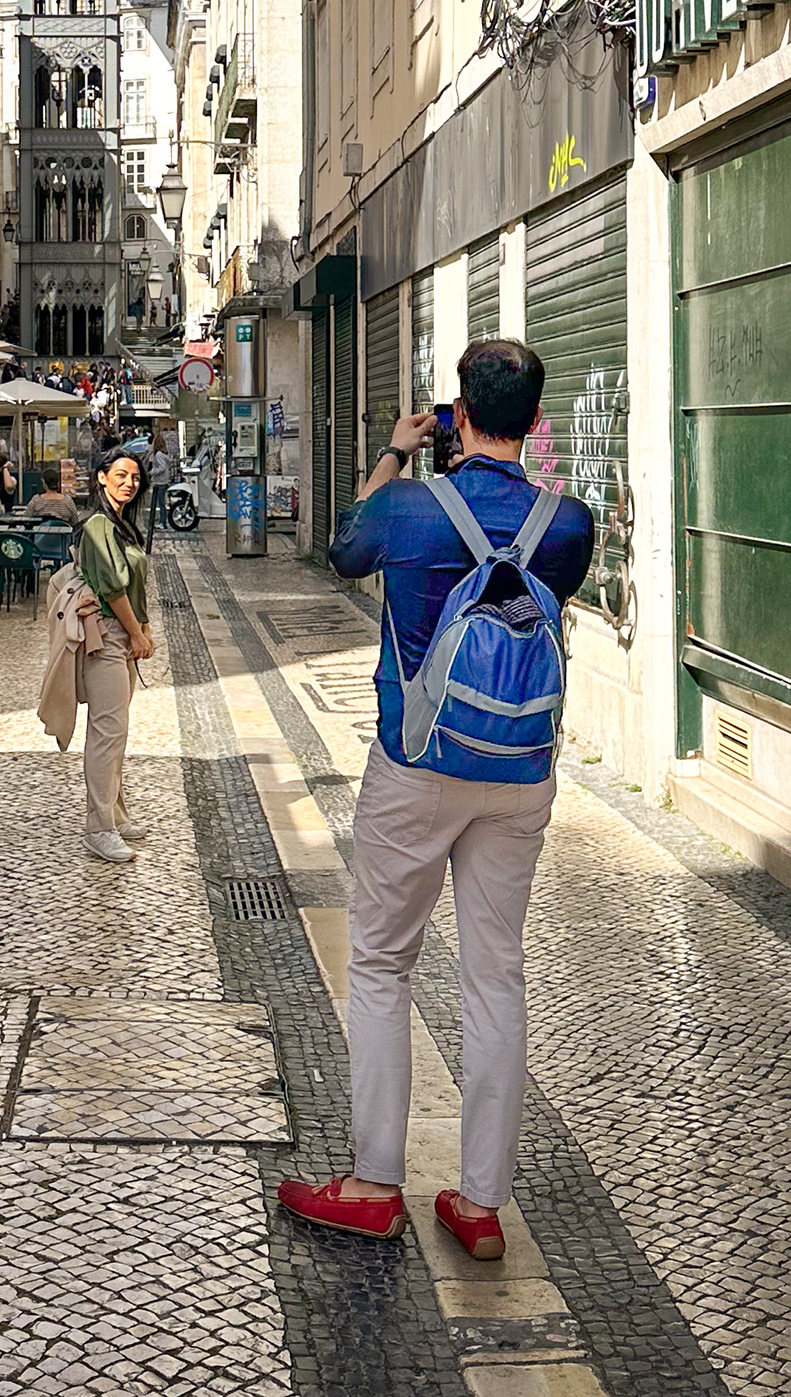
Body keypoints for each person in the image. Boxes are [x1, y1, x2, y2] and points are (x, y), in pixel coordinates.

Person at [277, 339, 594, 1260]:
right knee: (496, 973)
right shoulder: (565, 524)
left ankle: (375, 1183)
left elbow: (345, 548)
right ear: (535, 421)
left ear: (458, 410)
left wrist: (396, 451)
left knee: (380, 963)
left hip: (416, 767)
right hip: (518, 773)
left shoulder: (410, 510)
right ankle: (483, 1202)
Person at [73, 448, 156, 864]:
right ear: (102, 477)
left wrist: (143, 628)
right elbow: (111, 587)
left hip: (123, 635)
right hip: (104, 635)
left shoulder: (122, 526)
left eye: (135, 478)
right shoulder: (97, 525)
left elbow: (134, 584)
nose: (129, 483)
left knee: (116, 732)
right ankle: (98, 827)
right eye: (120, 475)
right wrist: (134, 630)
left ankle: (116, 813)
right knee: (107, 733)